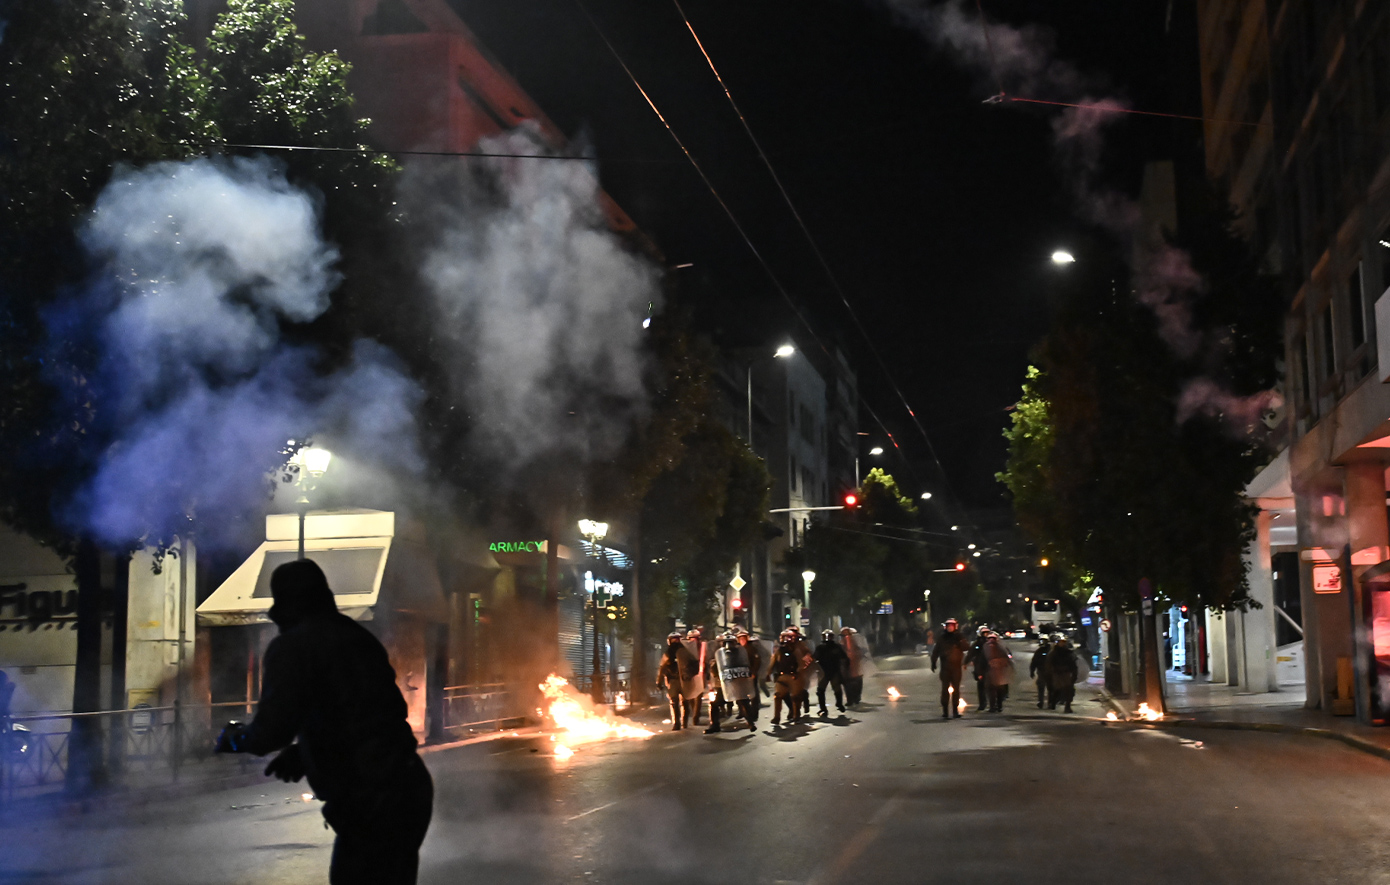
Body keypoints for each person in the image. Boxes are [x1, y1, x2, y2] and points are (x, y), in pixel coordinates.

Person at [214, 559, 432, 885]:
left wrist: (234, 737)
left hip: (371, 800)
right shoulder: (356, 637)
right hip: (407, 789)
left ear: (287, 602)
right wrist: (306, 751)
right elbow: (368, 716)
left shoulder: (293, 646)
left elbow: (271, 731)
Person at [708, 633, 758, 733]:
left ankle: (750, 723)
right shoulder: (721, 656)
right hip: (725, 683)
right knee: (715, 704)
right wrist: (717, 674)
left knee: (744, 701)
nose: (728, 646)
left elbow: (746, 665)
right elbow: (715, 668)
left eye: (730, 643)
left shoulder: (741, 655)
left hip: (738, 683)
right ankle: (714, 725)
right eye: (726, 643)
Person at [656, 632, 696, 730]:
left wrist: (691, 675)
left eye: (676, 639)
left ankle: (684, 722)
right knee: (674, 702)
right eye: (673, 640)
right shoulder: (668, 653)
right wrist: (659, 681)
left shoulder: (686, 652)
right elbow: (662, 668)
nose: (675, 642)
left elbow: (694, 664)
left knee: (685, 702)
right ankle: (677, 723)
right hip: (672, 680)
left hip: (684, 679)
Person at [930, 618, 968, 719]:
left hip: (956, 668)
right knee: (945, 690)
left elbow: (966, 647)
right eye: (948, 626)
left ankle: (955, 711)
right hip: (945, 668)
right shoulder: (942, 638)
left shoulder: (959, 637)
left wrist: (960, 640)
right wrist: (933, 662)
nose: (950, 628)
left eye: (952, 626)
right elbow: (936, 651)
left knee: (956, 690)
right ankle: (945, 711)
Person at [769, 630, 805, 726]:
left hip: (793, 676)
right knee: (778, 696)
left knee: (795, 697)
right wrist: (768, 674)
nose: (786, 640)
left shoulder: (797, 650)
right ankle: (777, 717)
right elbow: (773, 662)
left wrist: (798, 674)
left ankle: (796, 716)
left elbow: (801, 664)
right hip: (783, 676)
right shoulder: (779, 651)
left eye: (788, 638)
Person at [813, 630, 850, 716]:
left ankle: (838, 704)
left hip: (832, 671)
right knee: (822, 690)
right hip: (825, 672)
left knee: (835, 689)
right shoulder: (823, 647)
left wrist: (845, 668)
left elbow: (844, 658)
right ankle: (825, 708)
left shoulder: (836, 647)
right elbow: (814, 658)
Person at [735, 629, 766, 720]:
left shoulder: (752, 648)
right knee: (740, 694)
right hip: (740, 674)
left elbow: (757, 661)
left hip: (750, 674)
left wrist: (754, 672)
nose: (742, 641)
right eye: (740, 639)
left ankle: (754, 714)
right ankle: (742, 711)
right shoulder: (737, 649)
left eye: (744, 639)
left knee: (753, 694)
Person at [982, 631, 1015, 712]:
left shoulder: (1001, 647)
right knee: (991, 690)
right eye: (990, 639)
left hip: (1000, 673)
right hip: (990, 672)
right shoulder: (985, 647)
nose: (991, 641)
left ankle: (999, 705)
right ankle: (992, 706)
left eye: (993, 639)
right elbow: (983, 660)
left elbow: (1007, 658)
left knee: (1000, 690)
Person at [1048, 636, 1080, 713]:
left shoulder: (1068, 653)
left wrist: (1074, 674)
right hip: (1057, 673)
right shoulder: (1053, 653)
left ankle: (1067, 707)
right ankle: (1053, 702)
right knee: (1058, 689)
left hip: (1066, 673)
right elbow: (1049, 663)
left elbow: (1073, 663)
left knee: (1069, 690)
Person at [682, 629, 707, 727]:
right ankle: (693, 713)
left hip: (700, 674)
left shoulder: (702, 648)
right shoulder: (685, 648)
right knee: (691, 696)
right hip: (689, 675)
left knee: (698, 697)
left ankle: (696, 717)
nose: (693, 641)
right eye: (691, 639)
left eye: (695, 638)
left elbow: (706, 659)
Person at [963, 628, 991, 712]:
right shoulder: (977, 643)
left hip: (991, 666)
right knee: (981, 685)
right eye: (984, 633)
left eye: (987, 633)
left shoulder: (992, 641)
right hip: (980, 667)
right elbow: (971, 653)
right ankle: (982, 704)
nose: (986, 635)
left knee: (992, 685)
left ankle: (994, 703)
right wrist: (966, 662)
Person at [840, 626, 865, 706]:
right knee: (852, 684)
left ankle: (853, 699)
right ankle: (854, 698)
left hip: (852, 668)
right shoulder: (845, 643)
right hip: (850, 668)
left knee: (852, 684)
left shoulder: (852, 642)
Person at [1029, 636, 1054, 709]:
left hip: (1051, 672)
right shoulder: (1039, 651)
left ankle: (1051, 703)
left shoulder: (1052, 651)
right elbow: (1034, 662)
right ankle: (1041, 702)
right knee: (1041, 687)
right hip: (1042, 672)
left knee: (1051, 688)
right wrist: (1032, 671)